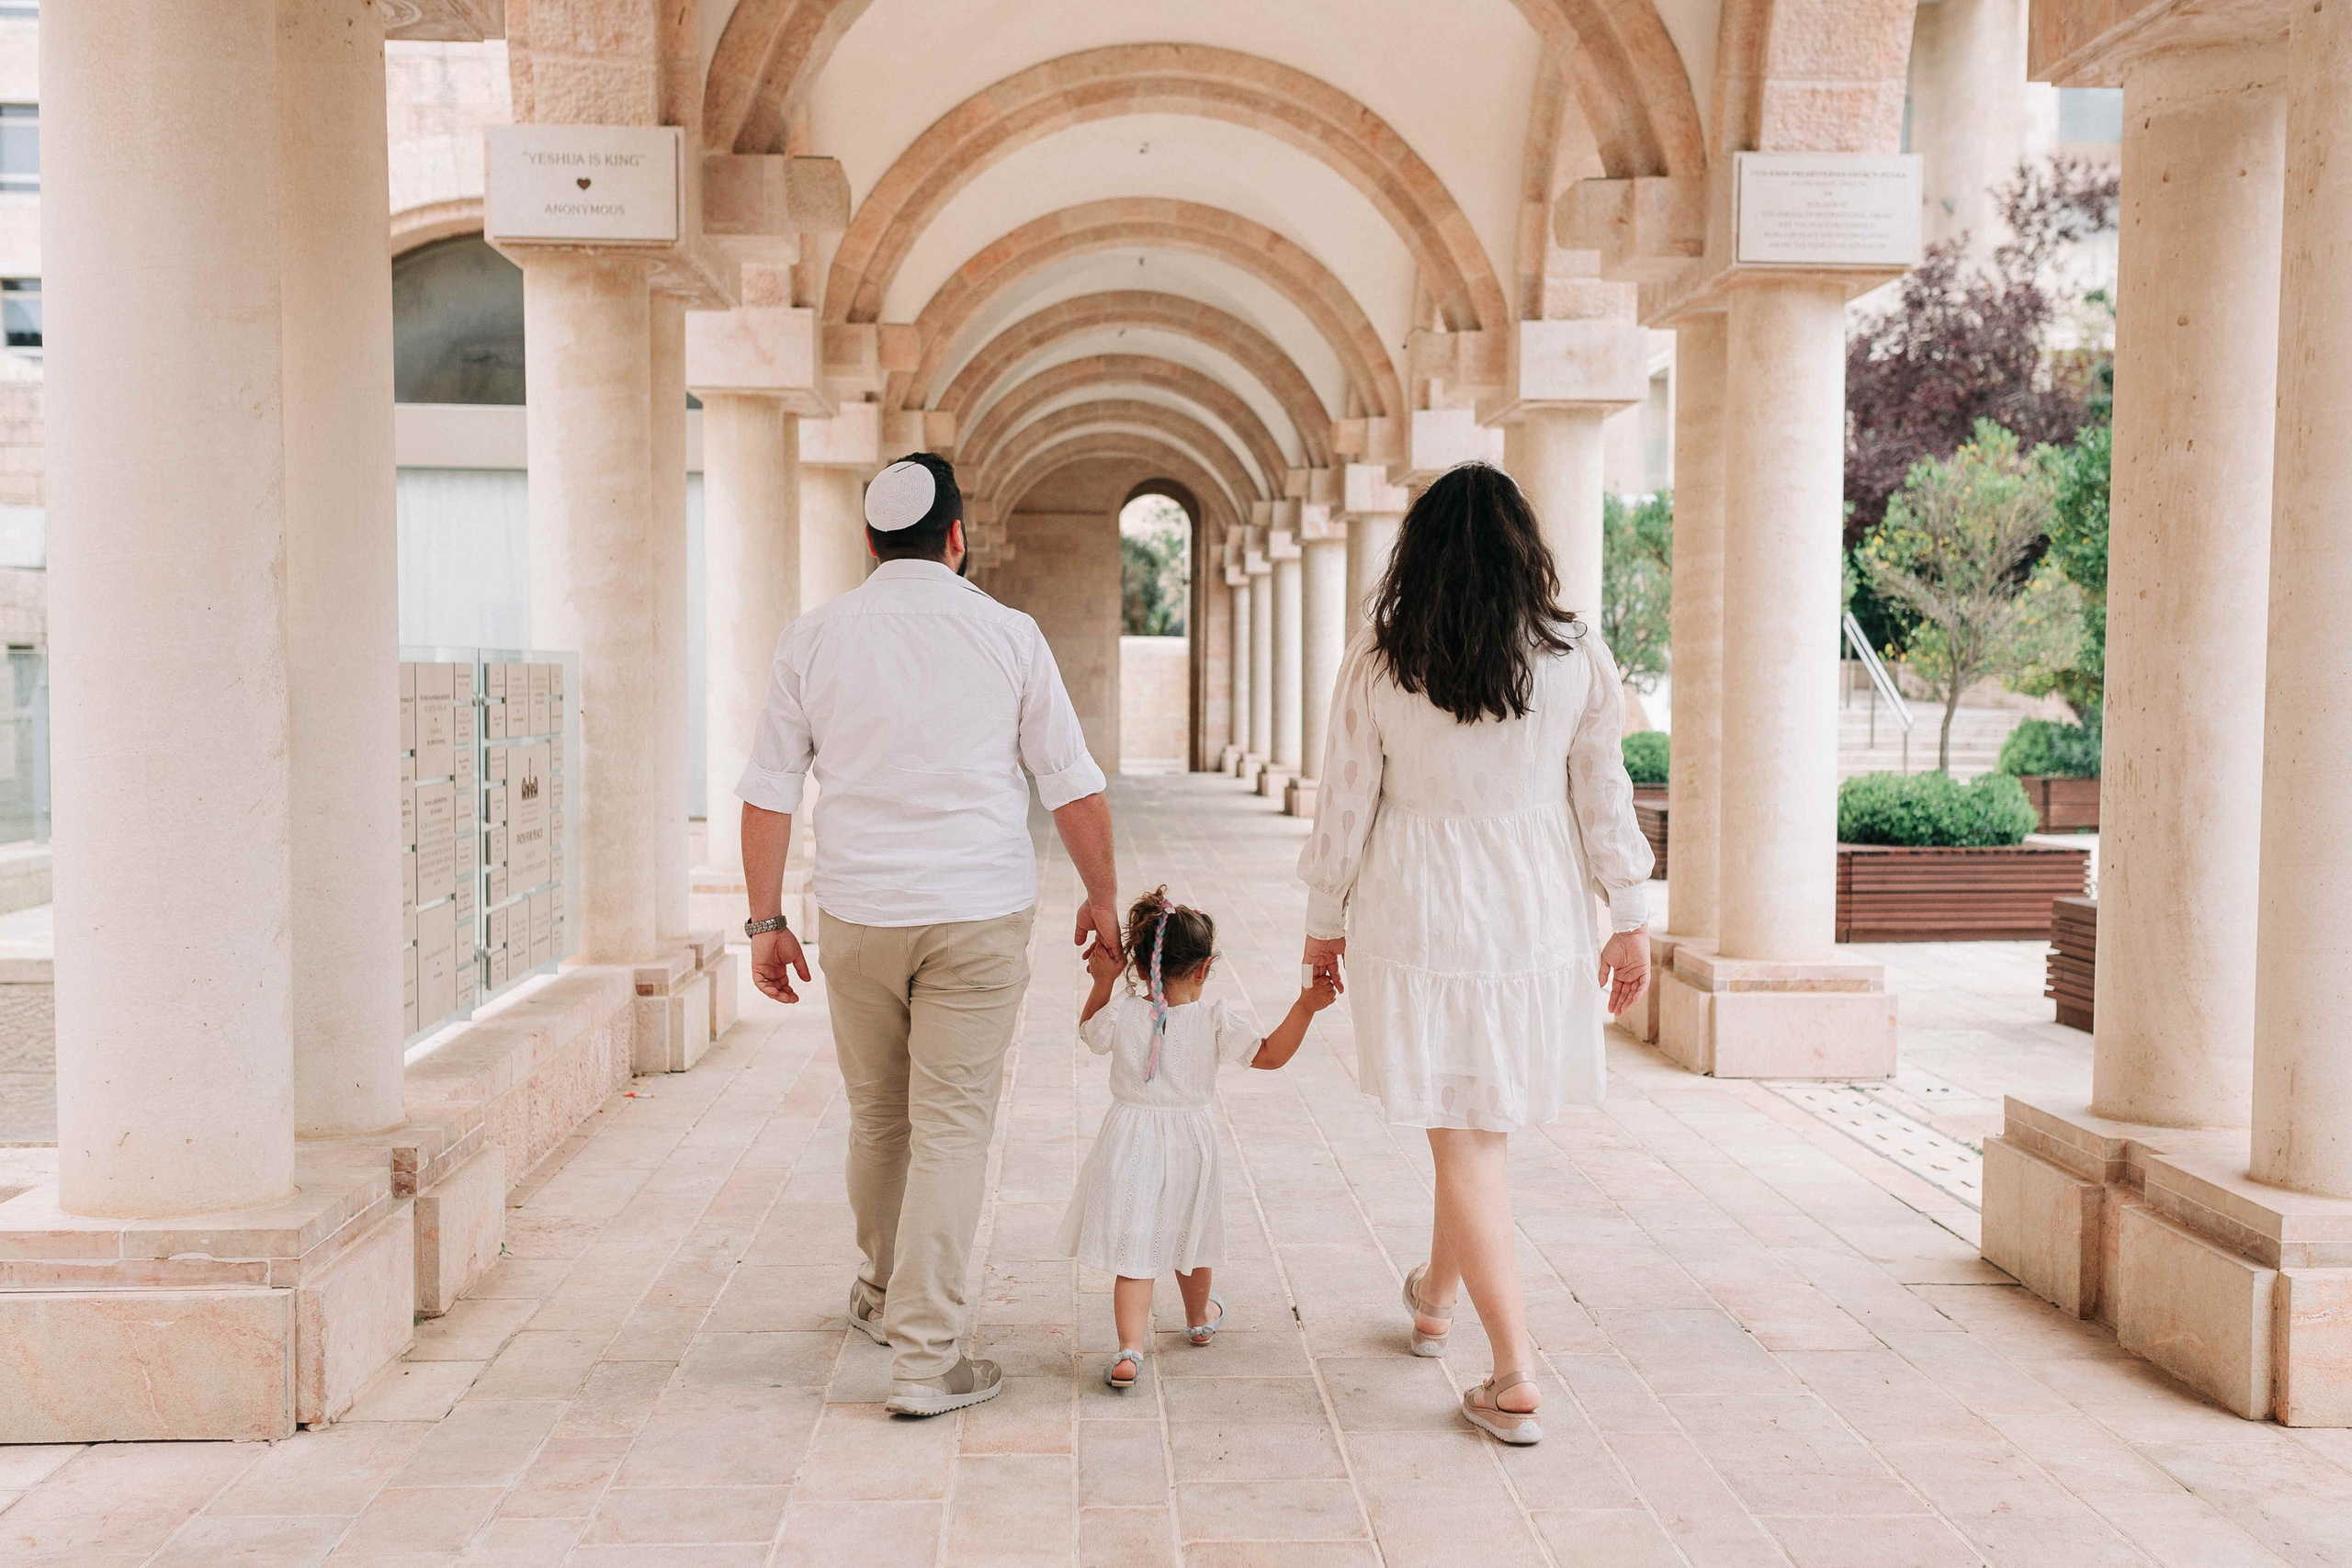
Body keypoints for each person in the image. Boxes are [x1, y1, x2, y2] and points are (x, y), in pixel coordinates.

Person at [736, 452, 1122, 1417]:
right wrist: (1102, 899)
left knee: (879, 1116)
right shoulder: (1008, 634)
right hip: (974, 918)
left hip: (858, 918)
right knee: (951, 1127)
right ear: (957, 539)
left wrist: (766, 921)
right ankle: (926, 1356)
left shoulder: (814, 637)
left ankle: (879, 1294)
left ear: (869, 541)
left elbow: (768, 789)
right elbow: (1068, 779)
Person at [1296, 461, 1653, 1446]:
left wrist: (1323, 919)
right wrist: (1626, 911)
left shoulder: (1379, 658)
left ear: (1420, 554)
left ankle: (1513, 1372)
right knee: (1473, 1126)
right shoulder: (1576, 653)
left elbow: (1345, 802)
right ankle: (1431, 1298)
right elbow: (1602, 794)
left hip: (1416, 908)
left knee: (1466, 1132)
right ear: (1522, 550)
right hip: (1532, 908)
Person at [1059, 886, 1335, 1390]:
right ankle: (1199, 1318)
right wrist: (1307, 1005)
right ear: (1204, 968)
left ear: (1140, 968)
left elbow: (1090, 1034)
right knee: (1194, 1228)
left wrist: (1102, 982)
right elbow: (1270, 1055)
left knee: (1134, 1247)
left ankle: (1128, 1350)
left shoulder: (1122, 1010)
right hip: (1191, 1141)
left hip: (1131, 1137)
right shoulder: (1213, 1019)